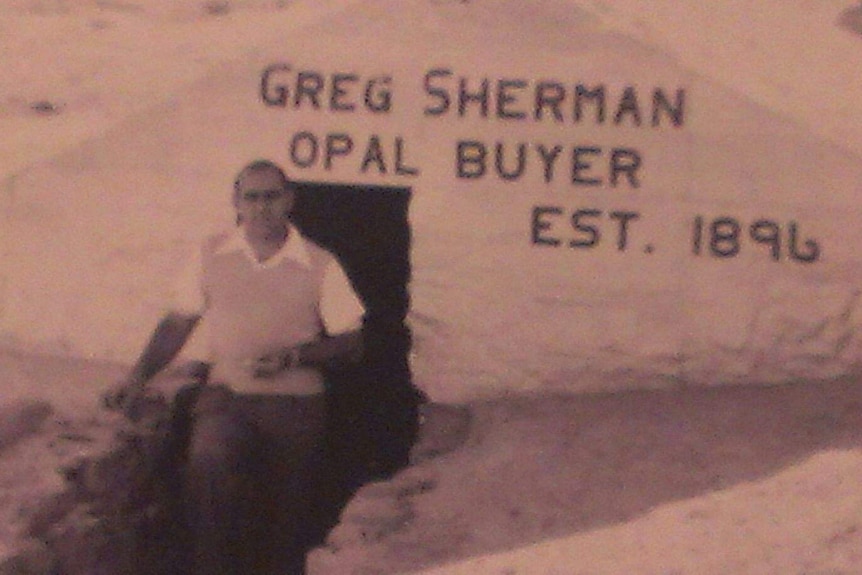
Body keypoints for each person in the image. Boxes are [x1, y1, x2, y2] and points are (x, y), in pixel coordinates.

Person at [105, 159, 366, 575]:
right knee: (208, 467)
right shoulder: (211, 254)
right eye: (252, 197)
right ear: (236, 203)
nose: (262, 208)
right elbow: (179, 320)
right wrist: (138, 376)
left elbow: (353, 342)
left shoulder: (320, 263)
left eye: (272, 197)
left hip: (296, 407)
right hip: (227, 397)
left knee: (287, 513)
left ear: (290, 201)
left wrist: (293, 357)